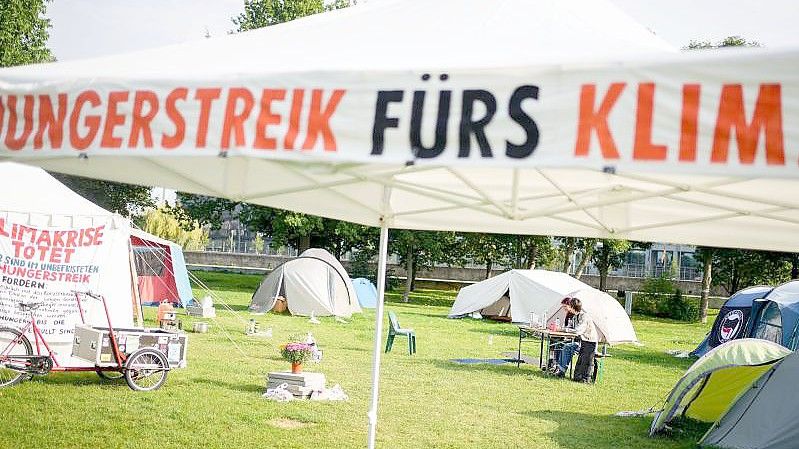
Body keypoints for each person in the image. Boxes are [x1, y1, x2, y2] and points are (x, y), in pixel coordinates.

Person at [549, 298, 599, 382]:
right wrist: (560, 330)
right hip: (582, 342)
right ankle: (557, 368)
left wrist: (563, 330)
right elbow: (571, 328)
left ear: (572, 306)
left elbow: (578, 331)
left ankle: (561, 371)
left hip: (590, 344)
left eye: (568, 305)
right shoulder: (575, 316)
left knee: (567, 347)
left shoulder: (584, 316)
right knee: (561, 345)